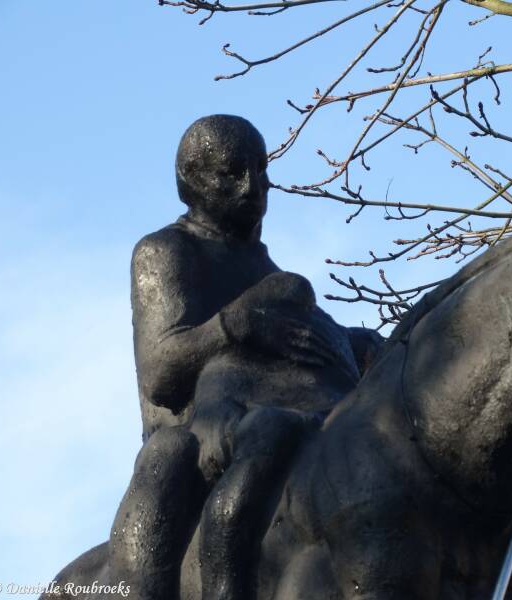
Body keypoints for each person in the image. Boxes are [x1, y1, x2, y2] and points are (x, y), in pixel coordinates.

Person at [108, 115, 383, 600]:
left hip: (268, 420)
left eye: (260, 168)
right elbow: (161, 373)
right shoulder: (165, 251)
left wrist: (356, 344)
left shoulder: (265, 267)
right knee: (166, 473)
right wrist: (236, 324)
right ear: (190, 181)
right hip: (193, 438)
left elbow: (295, 352)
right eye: (230, 173)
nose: (252, 187)